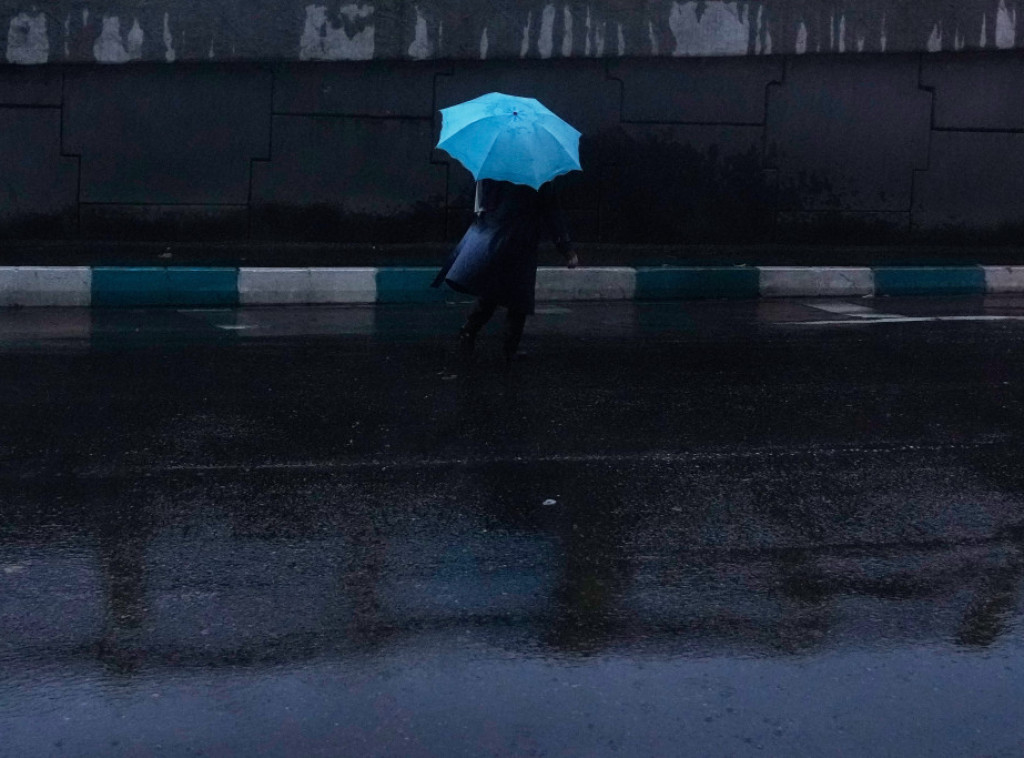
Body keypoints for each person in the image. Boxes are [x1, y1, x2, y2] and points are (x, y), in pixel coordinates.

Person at [432, 177, 578, 363]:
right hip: (521, 240)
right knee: (518, 296)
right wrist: (566, 249)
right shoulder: (538, 175)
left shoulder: (496, 172)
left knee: (493, 291)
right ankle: (508, 348)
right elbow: (552, 211)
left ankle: (469, 332)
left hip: (497, 236)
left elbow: (484, 205)